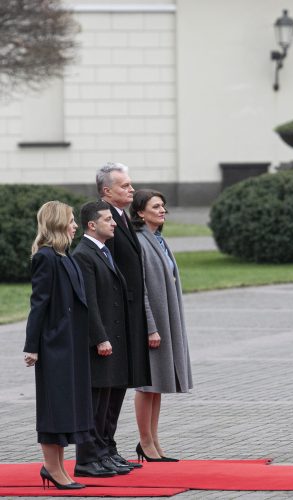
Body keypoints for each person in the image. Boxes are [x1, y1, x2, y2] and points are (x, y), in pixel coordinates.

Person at [23, 201, 92, 490]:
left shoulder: (66, 256)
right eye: (72, 220)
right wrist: (32, 346)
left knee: (66, 407)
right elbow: (38, 304)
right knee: (54, 407)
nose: (75, 225)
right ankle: (52, 468)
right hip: (54, 345)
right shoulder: (46, 258)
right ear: (57, 223)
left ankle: (58, 468)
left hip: (72, 343)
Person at [130, 189, 193, 462]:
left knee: (159, 383)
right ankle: (145, 441)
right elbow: (140, 288)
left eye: (163, 206)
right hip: (152, 323)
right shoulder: (140, 242)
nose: (162, 210)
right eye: (156, 206)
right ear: (140, 212)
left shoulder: (159, 240)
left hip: (166, 319)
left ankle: (153, 441)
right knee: (147, 384)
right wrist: (150, 327)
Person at [72, 201, 134, 478]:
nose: (113, 223)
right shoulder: (84, 254)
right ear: (91, 225)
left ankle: (104, 453)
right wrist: (99, 337)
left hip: (114, 339)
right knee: (95, 403)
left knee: (109, 402)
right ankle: (87, 459)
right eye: (108, 219)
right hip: (100, 342)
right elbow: (89, 303)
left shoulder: (103, 251)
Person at [95, 162, 151, 468]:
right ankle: (100, 450)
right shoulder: (102, 220)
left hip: (128, 313)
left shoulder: (123, 218)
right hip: (115, 315)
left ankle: (109, 447)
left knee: (120, 383)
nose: (131, 189)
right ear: (107, 191)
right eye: (125, 186)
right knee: (110, 383)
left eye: (130, 184)